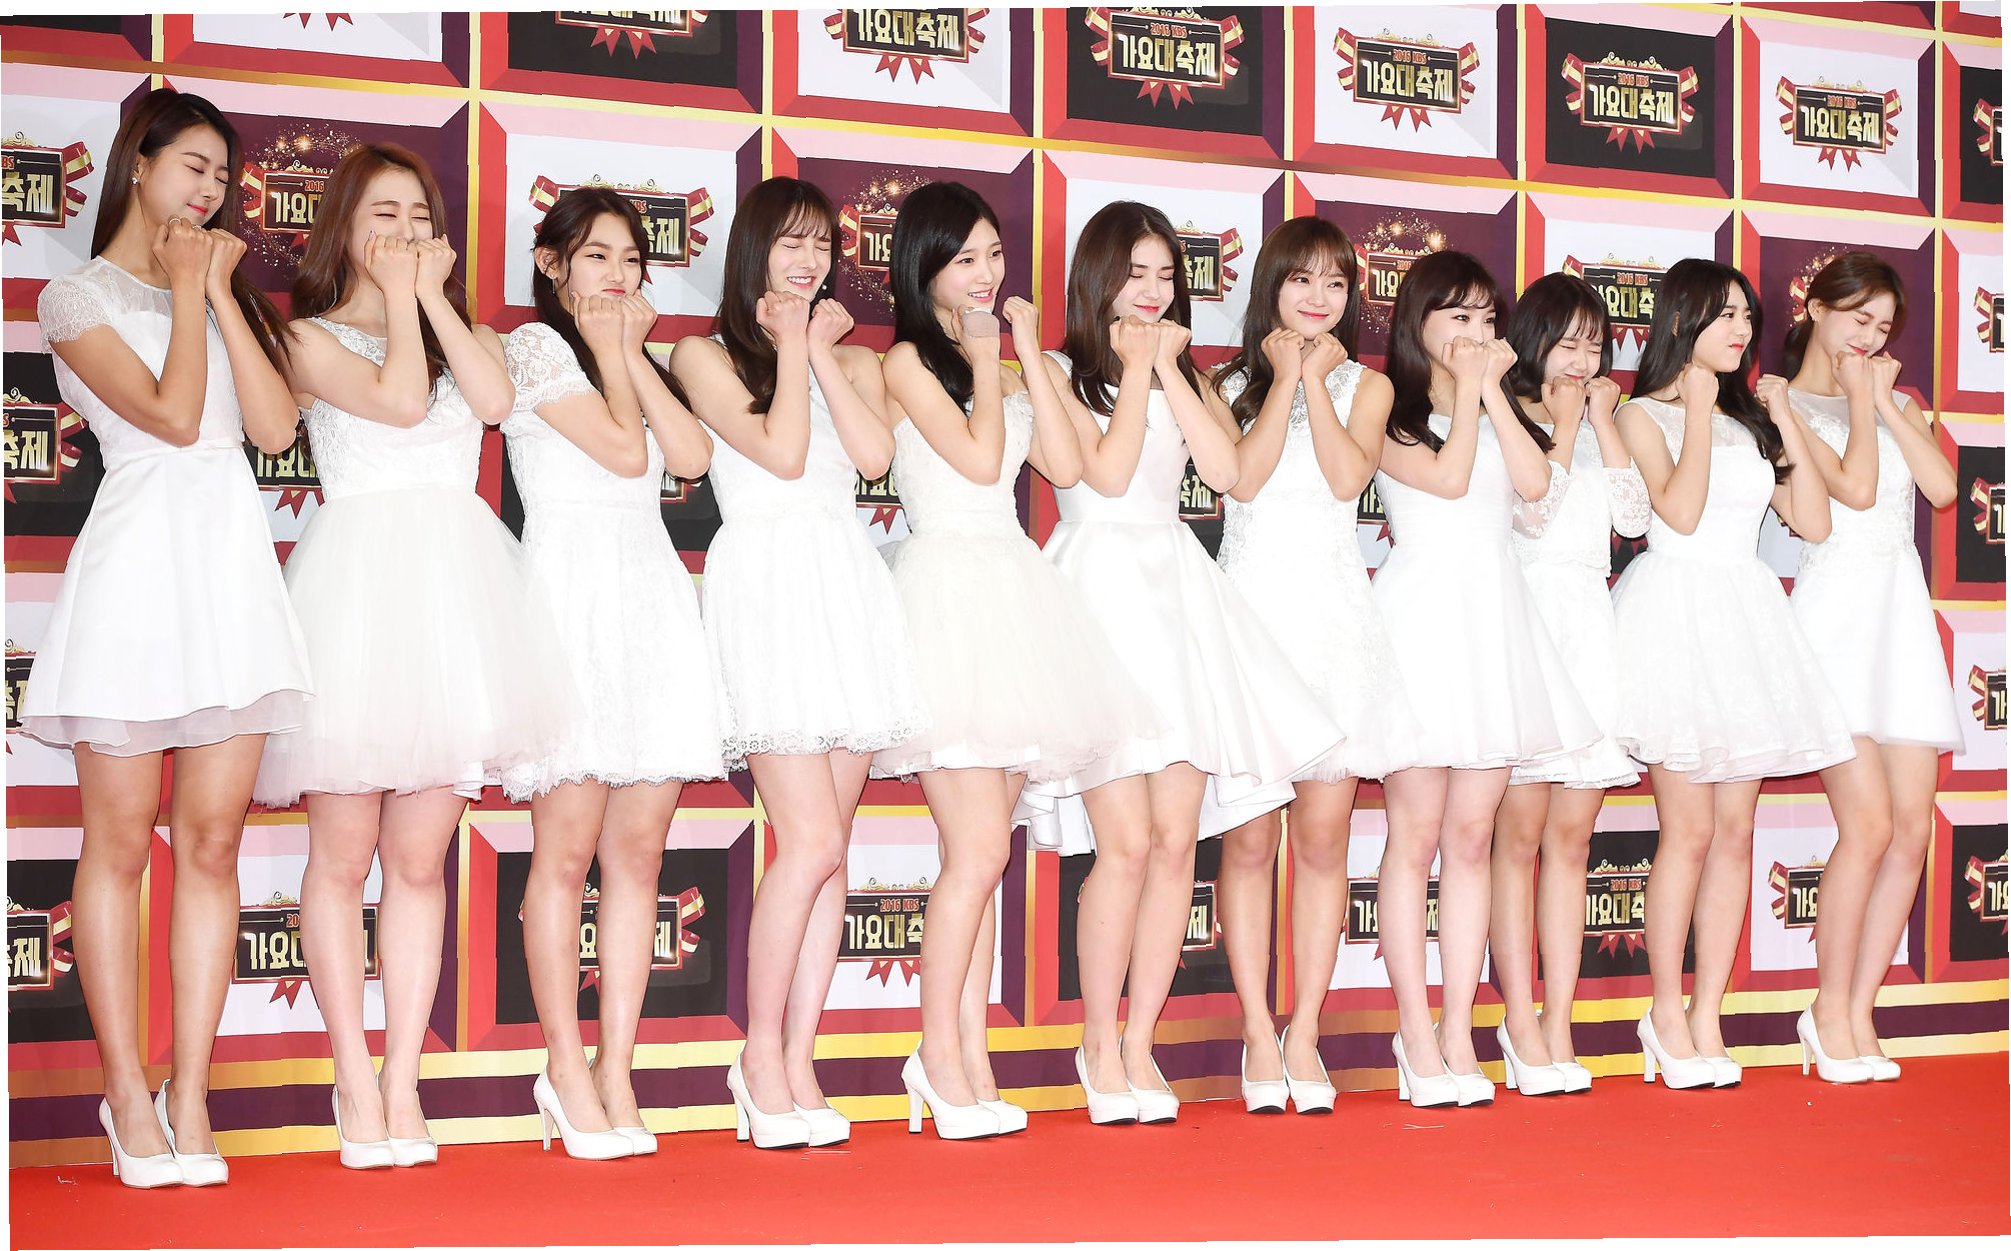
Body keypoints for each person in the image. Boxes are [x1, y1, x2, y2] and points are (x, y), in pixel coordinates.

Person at [253, 143, 574, 1167]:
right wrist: (401, 299)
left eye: (419, 216)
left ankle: (403, 1081)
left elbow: (492, 403)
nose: (404, 232)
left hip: (456, 602)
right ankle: (353, 1078)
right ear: (343, 225)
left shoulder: (457, 329)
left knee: (420, 862)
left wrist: (430, 301)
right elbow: (396, 401)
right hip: (356, 598)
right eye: (383, 214)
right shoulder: (302, 337)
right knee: (342, 859)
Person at [22, 86, 312, 1189]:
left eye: (222, 174)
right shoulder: (74, 295)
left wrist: (219, 292)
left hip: (229, 573)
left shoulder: (220, 285)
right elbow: (175, 417)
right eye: (193, 165)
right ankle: (125, 1094)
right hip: (139, 574)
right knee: (116, 841)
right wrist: (190, 287)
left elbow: (273, 429)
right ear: (137, 166)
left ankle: (191, 1091)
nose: (211, 188)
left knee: (212, 845)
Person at [670, 176, 925, 1149]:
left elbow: (872, 459)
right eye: (790, 242)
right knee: (808, 841)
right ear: (753, 250)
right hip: (768, 586)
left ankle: (799, 1059)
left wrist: (818, 353)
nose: (809, 259)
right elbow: (779, 455)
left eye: (821, 243)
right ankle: (757, 1057)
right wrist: (785, 347)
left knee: (834, 850)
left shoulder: (848, 356)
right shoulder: (702, 354)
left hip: (845, 586)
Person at [503, 186, 726, 1156]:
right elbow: (621, 448)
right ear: (551, 265)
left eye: (633, 259)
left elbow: (689, 455)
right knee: (563, 855)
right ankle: (562, 1066)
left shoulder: (631, 352)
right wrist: (609, 348)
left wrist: (630, 352)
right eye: (597, 256)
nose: (619, 275)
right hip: (569, 602)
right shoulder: (531, 348)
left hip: (648, 601)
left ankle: (615, 1068)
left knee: (638, 857)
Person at [1609, 258, 1855, 1090]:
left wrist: (1779, 418)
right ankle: (1663, 1011)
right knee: (1686, 831)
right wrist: (1698, 409)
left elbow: (1813, 521)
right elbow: (1676, 515)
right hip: (1675, 613)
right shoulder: (1640, 413)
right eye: (1723, 315)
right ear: (1680, 320)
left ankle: (1707, 1010)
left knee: (1735, 832)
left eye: (1746, 316)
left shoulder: (1749, 418)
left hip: (1745, 619)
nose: (1741, 329)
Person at [1780, 252, 1962, 1082]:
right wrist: (1859, 401)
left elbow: (1942, 489)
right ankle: (1824, 1009)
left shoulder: (1895, 400)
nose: (1870, 336)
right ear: (1815, 308)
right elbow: (1848, 494)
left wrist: (1885, 401)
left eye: (1883, 327)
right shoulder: (1778, 404)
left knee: (1911, 830)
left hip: (1899, 618)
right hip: (1834, 621)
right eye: (1858, 318)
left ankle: (1858, 1009)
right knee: (1868, 825)